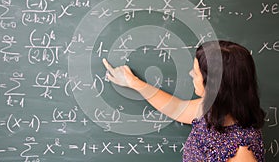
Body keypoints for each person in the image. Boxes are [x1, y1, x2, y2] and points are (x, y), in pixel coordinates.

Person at [102, 40, 265, 162]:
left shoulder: (242, 152)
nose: (190, 74)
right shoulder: (211, 110)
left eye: (195, 73)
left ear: (214, 85)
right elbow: (177, 108)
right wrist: (134, 83)